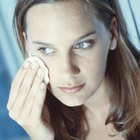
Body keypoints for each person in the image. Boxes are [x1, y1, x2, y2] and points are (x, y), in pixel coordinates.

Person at [7, 0, 140, 139]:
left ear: (112, 33)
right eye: (46, 49)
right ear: (27, 44)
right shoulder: (43, 117)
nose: (67, 71)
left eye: (82, 44)